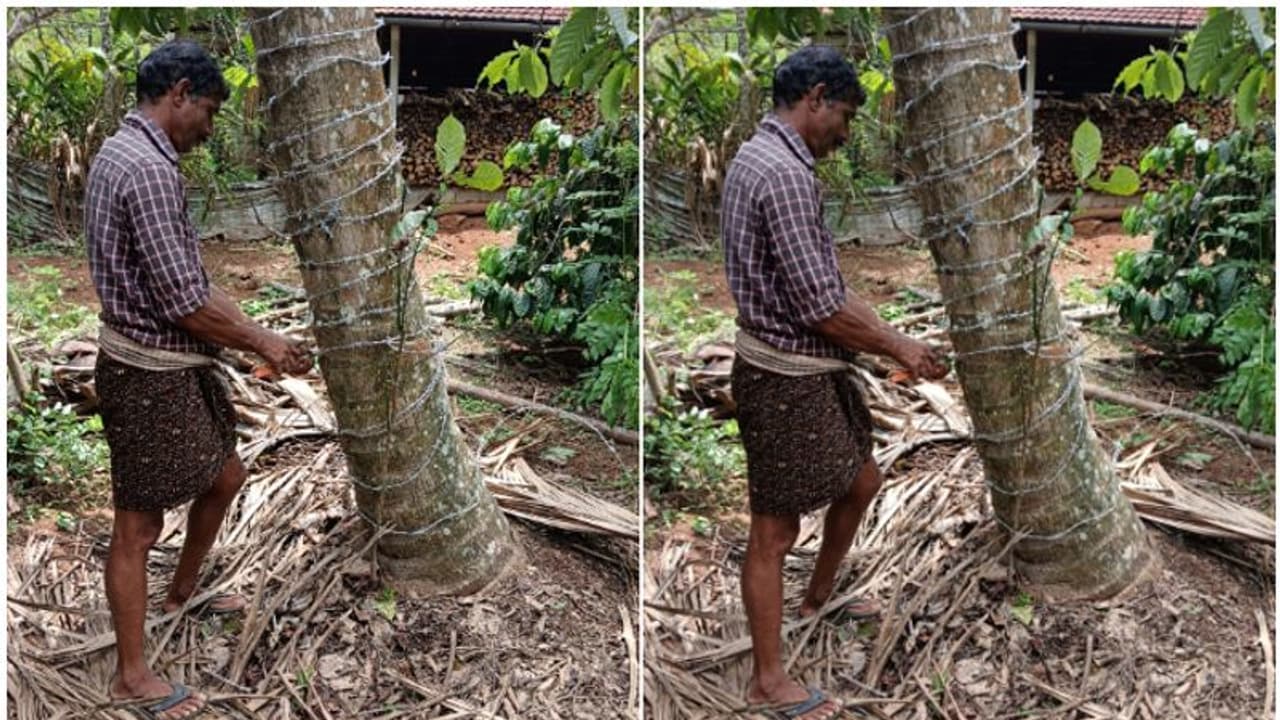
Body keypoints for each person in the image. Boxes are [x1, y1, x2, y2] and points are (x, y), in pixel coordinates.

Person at [85, 40, 312, 720]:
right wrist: (261, 338)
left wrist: (242, 332)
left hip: (166, 363)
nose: (210, 130)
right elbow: (185, 301)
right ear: (179, 93)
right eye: (209, 111)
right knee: (137, 523)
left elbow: (186, 284)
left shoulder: (122, 153)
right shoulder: (149, 172)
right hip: (147, 372)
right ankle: (131, 676)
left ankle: (184, 591)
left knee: (225, 474)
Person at [722, 46, 948, 720]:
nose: (846, 134)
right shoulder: (785, 176)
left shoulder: (758, 156)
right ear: (815, 98)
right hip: (783, 377)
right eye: (845, 115)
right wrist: (897, 343)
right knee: (773, 528)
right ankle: (767, 680)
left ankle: (819, 597)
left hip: (801, 368)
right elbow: (822, 306)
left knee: (862, 479)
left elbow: (819, 289)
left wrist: (878, 336)